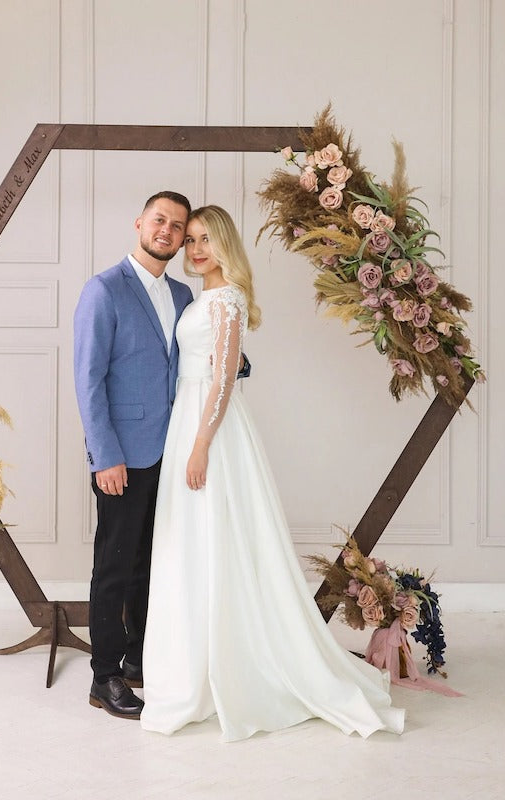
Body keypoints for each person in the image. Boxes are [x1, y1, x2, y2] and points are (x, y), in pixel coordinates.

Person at [140, 206, 405, 741]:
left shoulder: (228, 299)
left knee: (219, 537)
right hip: (185, 420)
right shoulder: (198, 298)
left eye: (206, 240)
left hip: (209, 429)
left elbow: (222, 380)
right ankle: (195, 660)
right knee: (189, 542)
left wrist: (199, 445)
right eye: (190, 240)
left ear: (226, 246)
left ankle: (236, 665)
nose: (195, 249)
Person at [73, 191, 194, 720]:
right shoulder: (104, 290)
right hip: (123, 456)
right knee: (115, 566)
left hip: (175, 452)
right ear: (139, 223)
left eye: (178, 225)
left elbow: (192, 358)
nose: (166, 230)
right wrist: (105, 455)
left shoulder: (186, 294)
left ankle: (140, 660)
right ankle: (104, 677)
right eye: (159, 220)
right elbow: (89, 381)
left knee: (155, 563)